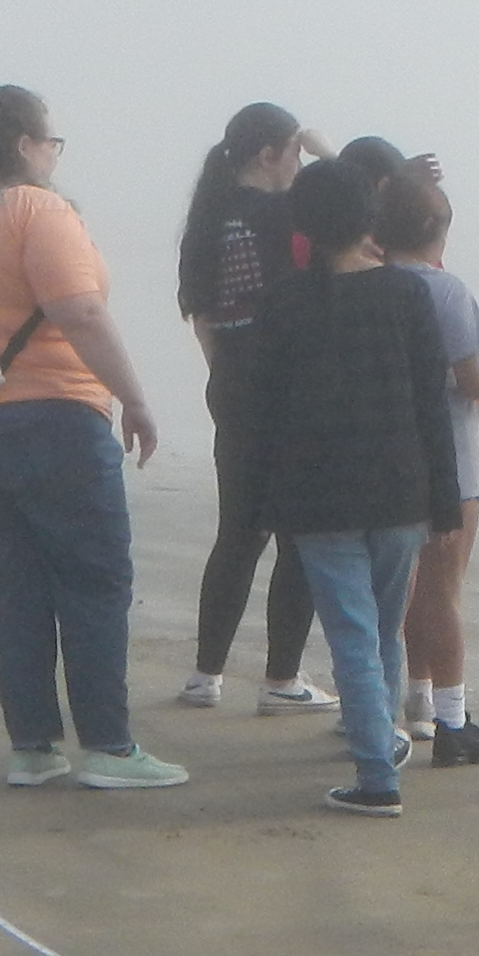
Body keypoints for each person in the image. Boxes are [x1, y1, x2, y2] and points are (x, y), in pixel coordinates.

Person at [0, 83, 188, 790]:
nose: (54, 156)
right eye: (50, 142)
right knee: (93, 581)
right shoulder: (35, 208)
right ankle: (110, 749)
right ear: (24, 145)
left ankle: (32, 746)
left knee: (14, 585)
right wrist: (136, 399)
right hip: (47, 417)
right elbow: (79, 310)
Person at [247, 158, 462, 818]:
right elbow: (432, 402)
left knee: (351, 634)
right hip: (400, 488)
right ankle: (382, 741)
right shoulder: (407, 294)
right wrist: (445, 497)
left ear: (303, 227)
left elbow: (265, 412)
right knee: (382, 629)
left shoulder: (283, 300)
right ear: (369, 218)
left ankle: (377, 774)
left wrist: (261, 502)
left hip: (319, 496)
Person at [171, 102, 335, 715]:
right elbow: (357, 219)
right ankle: (280, 679)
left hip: (234, 385)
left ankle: (205, 672)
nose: (298, 161)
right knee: (297, 534)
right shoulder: (287, 211)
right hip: (291, 389)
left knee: (238, 532)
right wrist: (329, 153)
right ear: (270, 154)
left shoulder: (208, 216)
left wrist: (227, 373)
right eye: (292, 150)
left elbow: (202, 314)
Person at [380, 169, 479, 763]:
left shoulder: (373, 283)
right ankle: (453, 714)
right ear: (440, 231)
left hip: (389, 455)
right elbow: (471, 379)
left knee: (408, 588)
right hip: (449, 459)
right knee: (445, 590)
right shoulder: (445, 291)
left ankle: (416, 697)